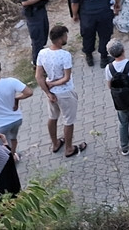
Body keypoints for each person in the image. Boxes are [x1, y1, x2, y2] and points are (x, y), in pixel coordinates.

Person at [36, 24, 84, 157]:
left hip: (51, 94)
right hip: (65, 92)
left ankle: (55, 143)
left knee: (52, 117)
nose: (66, 38)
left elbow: (38, 76)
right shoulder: (65, 55)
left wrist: (48, 92)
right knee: (68, 121)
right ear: (59, 39)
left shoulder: (42, 53)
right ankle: (69, 148)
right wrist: (53, 84)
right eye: (65, 36)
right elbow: (66, 78)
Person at [18, 0, 52, 67]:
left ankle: (41, 57)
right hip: (34, 14)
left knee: (44, 34)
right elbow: (25, 2)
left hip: (41, 11)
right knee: (37, 39)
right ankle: (37, 64)